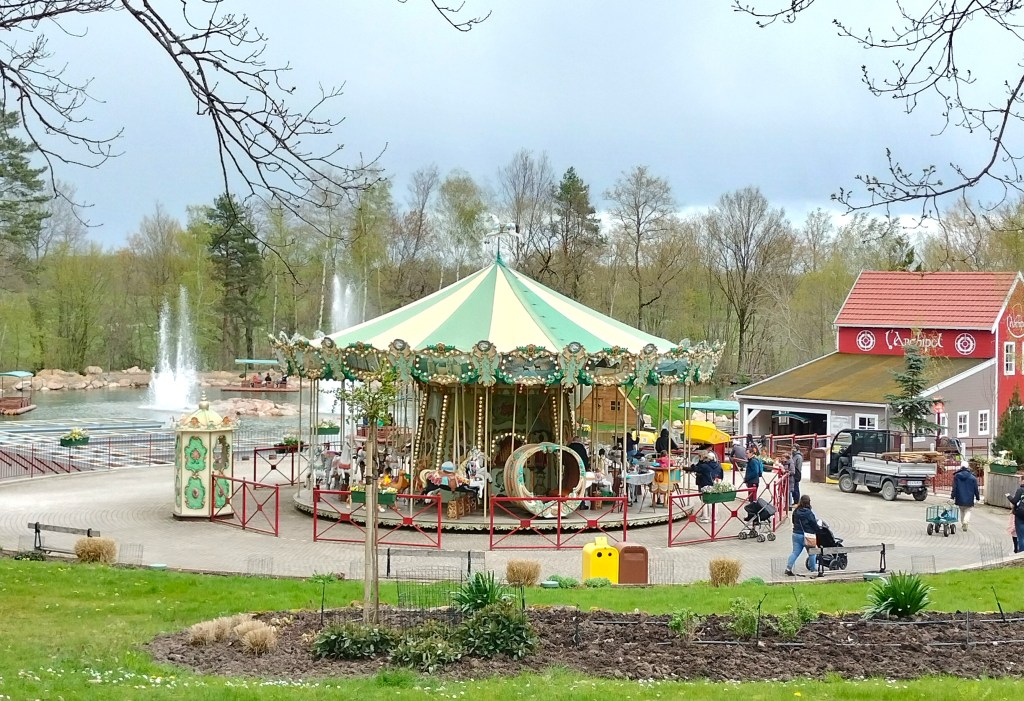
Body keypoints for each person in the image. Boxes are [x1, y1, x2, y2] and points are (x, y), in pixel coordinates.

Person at [786, 494, 821, 576]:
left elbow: (793, 522)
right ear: (808, 502)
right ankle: (813, 569)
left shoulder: (796, 511)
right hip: (808, 536)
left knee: (795, 552)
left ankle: (788, 568)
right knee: (812, 553)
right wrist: (818, 531)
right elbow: (814, 524)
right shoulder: (809, 513)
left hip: (796, 534)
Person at [951, 460, 980, 531]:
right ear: (968, 467)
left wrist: (952, 496)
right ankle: (965, 521)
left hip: (959, 497)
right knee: (968, 510)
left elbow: (954, 487)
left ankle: (962, 523)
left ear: (961, 467)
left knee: (961, 510)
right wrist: (977, 497)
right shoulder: (973, 477)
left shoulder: (957, 476)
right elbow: (976, 488)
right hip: (969, 497)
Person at [1008, 475, 1024, 553]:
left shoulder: (1020, 490)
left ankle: (1020, 553)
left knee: (1021, 536)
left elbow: (1014, 501)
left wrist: (1008, 496)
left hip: (1020, 514)